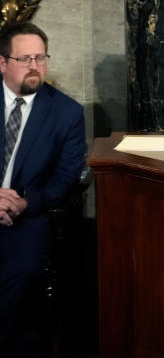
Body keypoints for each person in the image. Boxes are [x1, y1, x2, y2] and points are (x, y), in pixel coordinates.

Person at [0, 22, 86, 352]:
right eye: (24, 59)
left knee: (20, 272)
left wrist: (23, 203)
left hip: (27, 216)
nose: (35, 66)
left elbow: (65, 180)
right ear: (3, 63)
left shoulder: (66, 113)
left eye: (40, 57)